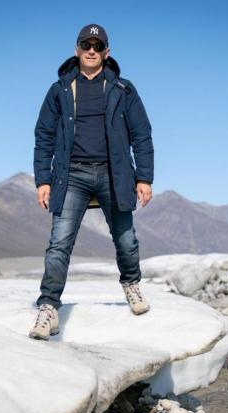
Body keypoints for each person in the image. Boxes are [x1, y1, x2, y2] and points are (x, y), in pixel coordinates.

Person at [29, 24, 155, 340]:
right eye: (86, 44)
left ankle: (131, 284)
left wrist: (144, 177)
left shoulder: (124, 90)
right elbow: (43, 135)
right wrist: (43, 179)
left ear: (106, 53)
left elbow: (141, 135)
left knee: (125, 238)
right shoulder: (59, 90)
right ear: (76, 49)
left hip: (115, 173)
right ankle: (48, 308)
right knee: (60, 241)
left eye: (98, 46)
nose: (91, 51)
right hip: (72, 175)